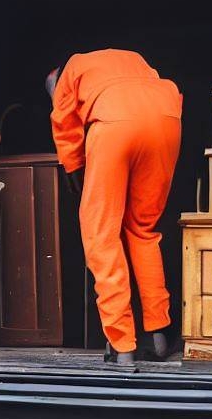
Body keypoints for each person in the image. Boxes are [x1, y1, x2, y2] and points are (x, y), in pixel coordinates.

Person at [46, 49, 182, 365]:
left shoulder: (70, 70)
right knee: (143, 229)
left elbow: (64, 123)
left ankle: (123, 346)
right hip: (167, 118)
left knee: (101, 236)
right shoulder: (132, 58)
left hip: (115, 123)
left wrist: (75, 170)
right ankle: (160, 333)